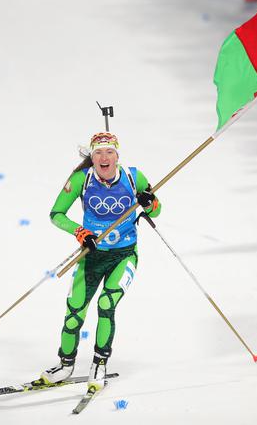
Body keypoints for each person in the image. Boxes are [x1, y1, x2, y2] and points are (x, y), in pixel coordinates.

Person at [40, 131, 162, 391]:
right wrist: (80, 232)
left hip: (123, 254)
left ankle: (99, 363)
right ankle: (65, 364)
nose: (104, 157)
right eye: (98, 152)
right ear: (92, 156)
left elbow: (157, 209)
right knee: (74, 311)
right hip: (92, 256)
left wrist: (149, 202)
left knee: (107, 303)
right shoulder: (81, 179)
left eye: (109, 152)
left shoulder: (133, 177)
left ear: (118, 156)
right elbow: (56, 214)